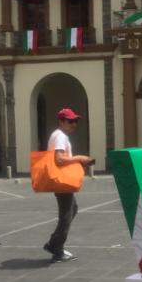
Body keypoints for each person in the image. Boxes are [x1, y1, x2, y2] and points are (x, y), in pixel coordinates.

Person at [44, 108, 92, 263]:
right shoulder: (60, 137)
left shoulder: (59, 136)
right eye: (70, 121)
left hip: (62, 179)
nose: (74, 124)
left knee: (72, 210)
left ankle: (54, 243)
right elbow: (58, 160)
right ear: (61, 121)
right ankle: (56, 248)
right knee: (66, 214)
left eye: (75, 121)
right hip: (62, 180)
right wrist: (79, 158)